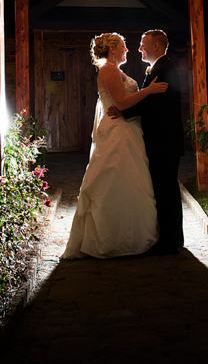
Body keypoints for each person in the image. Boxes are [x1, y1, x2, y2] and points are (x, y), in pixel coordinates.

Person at [62, 32, 168, 259]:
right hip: (118, 133)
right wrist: (148, 91)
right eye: (123, 46)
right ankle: (117, 240)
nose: (127, 50)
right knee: (118, 180)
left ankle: (130, 237)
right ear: (112, 50)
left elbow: (121, 102)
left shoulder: (115, 70)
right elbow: (120, 102)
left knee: (130, 181)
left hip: (126, 129)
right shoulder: (109, 70)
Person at [114, 30, 185, 255]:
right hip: (162, 140)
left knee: (166, 189)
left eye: (143, 44)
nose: (139, 48)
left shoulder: (164, 69)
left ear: (156, 46)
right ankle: (171, 238)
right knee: (165, 188)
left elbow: (152, 104)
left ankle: (169, 242)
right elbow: (149, 99)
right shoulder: (158, 68)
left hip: (165, 141)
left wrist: (122, 111)